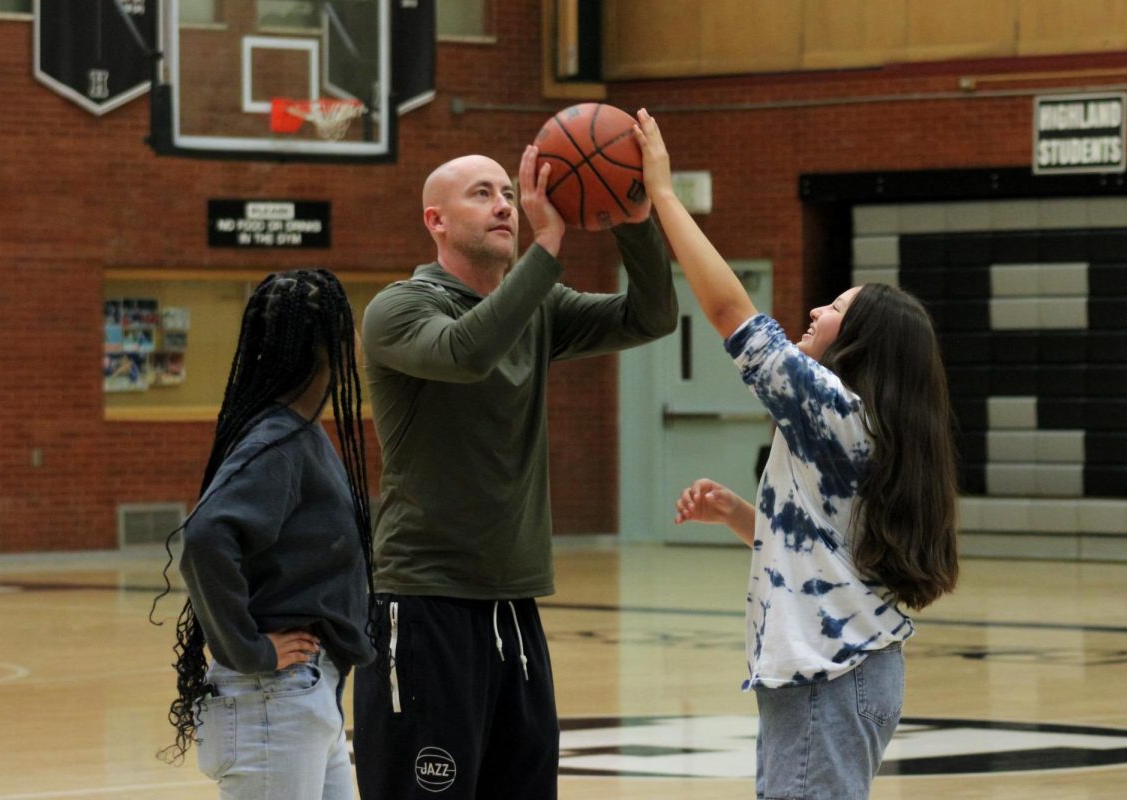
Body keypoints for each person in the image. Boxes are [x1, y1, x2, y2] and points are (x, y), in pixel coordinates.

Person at [633, 109, 960, 799]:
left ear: (864, 341)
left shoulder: (836, 411)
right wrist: (742, 517)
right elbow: (828, 550)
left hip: (829, 676)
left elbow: (730, 314)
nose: (815, 311)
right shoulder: (863, 429)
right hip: (842, 671)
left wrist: (664, 194)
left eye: (835, 306)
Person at [351, 146, 678, 799]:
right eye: (482, 193)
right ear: (435, 220)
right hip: (424, 602)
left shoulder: (538, 304)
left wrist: (634, 219)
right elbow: (467, 351)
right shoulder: (399, 309)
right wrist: (547, 249)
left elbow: (653, 316)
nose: (505, 204)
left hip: (513, 604)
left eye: (508, 191)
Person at [151, 269, 376, 800]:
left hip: (306, 693)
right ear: (331, 344)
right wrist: (248, 649)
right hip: (272, 696)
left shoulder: (300, 433)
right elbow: (206, 539)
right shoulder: (277, 438)